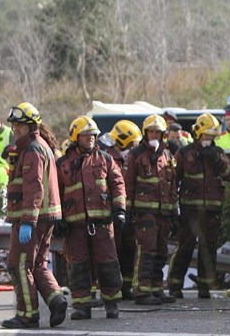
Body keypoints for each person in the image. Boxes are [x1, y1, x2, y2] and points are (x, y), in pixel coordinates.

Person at [1, 102, 68, 329]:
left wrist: (27, 221)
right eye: (13, 124)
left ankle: (27, 315)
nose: (15, 128)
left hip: (32, 218)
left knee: (18, 264)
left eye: (20, 125)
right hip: (43, 217)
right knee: (38, 263)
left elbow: (34, 187)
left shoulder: (32, 150)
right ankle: (56, 299)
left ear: (31, 126)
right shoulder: (38, 146)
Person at [54, 116, 126, 320]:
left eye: (93, 136)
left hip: (102, 224)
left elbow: (118, 184)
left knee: (108, 264)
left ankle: (111, 305)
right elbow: (55, 192)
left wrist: (120, 210)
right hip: (74, 226)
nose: (91, 139)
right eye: (86, 136)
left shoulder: (105, 159)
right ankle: (81, 307)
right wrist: (57, 219)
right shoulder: (63, 164)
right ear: (76, 137)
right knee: (78, 266)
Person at [168, 113, 230, 299]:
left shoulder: (218, 153)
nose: (209, 139)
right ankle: (174, 286)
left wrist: (217, 160)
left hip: (212, 212)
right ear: (198, 134)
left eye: (212, 136)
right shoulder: (184, 153)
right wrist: (173, 208)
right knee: (185, 248)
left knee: (209, 249)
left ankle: (204, 287)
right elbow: (173, 179)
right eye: (206, 135)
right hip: (190, 211)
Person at [123, 114, 178, 305]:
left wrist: (173, 209)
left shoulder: (167, 155)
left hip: (163, 213)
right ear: (145, 133)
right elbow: (127, 185)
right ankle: (142, 290)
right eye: (151, 131)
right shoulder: (136, 154)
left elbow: (171, 185)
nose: (154, 134)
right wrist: (127, 211)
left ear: (163, 134)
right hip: (144, 212)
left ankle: (156, 288)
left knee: (161, 251)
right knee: (147, 250)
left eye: (158, 131)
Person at [99, 120, 142, 300]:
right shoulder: (107, 157)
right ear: (124, 141)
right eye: (133, 143)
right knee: (113, 251)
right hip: (112, 212)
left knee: (129, 249)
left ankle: (126, 287)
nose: (136, 146)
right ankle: (111, 290)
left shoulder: (130, 157)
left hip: (130, 211)